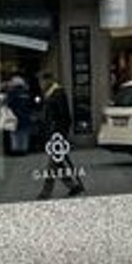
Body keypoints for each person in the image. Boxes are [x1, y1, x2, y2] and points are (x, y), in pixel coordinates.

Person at [34, 70, 84, 198]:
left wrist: (60, 134)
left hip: (57, 134)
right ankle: (74, 186)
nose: (40, 84)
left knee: (52, 165)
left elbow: (65, 116)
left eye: (41, 81)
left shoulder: (58, 94)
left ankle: (46, 192)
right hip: (53, 134)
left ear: (48, 80)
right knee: (58, 162)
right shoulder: (50, 94)